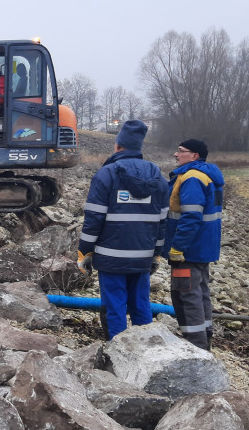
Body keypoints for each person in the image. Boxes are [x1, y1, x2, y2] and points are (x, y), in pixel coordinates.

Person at [76, 119, 169, 340]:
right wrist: (156, 253)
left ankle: (118, 353)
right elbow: (163, 221)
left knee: (114, 306)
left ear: (118, 146)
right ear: (139, 148)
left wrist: (85, 251)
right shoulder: (157, 175)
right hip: (142, 257)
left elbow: (94, 219)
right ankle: (145, 353)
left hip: (111, 258)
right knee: (141, 305)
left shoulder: (107, 174)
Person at [162, 138, 224, 350]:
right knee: (200, 293)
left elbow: (191, 217)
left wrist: (178, 247)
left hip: (188, 251)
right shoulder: (208, 175)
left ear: (194, 155)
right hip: (203, 249)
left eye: (180, 151)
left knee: (186, 296)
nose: (176, 155)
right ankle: (205, 338)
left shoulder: (192, 179)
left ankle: (196, 346)